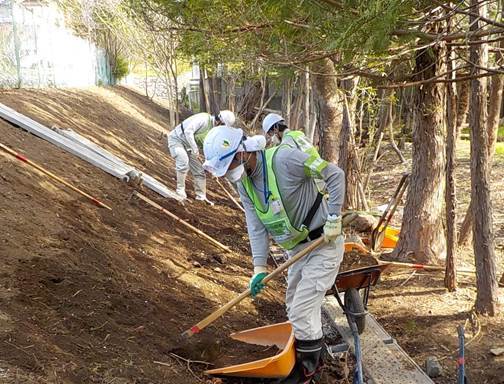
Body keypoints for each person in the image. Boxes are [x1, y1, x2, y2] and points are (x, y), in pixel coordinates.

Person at [202, 126, 345, 383]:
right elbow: (255, 226)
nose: (229, 174)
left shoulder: (284, 158)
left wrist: (334, 216)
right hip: (297, 250)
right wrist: (259, 269)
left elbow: (334, 175)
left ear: (243, 151)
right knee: (294, 307)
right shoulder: (244, 183)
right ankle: (315, 353)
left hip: (323, 243)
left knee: (302, 310)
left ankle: (307, 373)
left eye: (230, 163)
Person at [167, 110, 235, 203]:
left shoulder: (214, 131)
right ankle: (180, 191)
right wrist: (195, 149)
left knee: (199, 171)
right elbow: (188, 131)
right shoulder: (203, 119)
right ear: (220, 121)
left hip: (190, 147)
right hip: (177, 140)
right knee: (183, 162)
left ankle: (201, 196)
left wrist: (210, 167)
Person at [263, 113, 326, 193]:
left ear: (276, 129)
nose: (272, 138)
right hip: (322, 175)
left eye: (270, 134)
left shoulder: (287, 142)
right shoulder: (297, 134)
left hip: (314, 183)